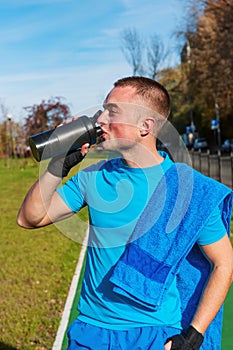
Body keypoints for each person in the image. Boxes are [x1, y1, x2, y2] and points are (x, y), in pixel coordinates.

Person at [17, 76, 233, 350]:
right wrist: (58, 165)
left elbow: (224, 263)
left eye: (113, 111)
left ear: (146, 125)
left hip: (154, 334)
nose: (101, 120)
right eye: (103, 109)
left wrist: (192, 337)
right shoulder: (93, 178)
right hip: (91, 331)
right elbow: (29, 218)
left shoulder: (189, 191)